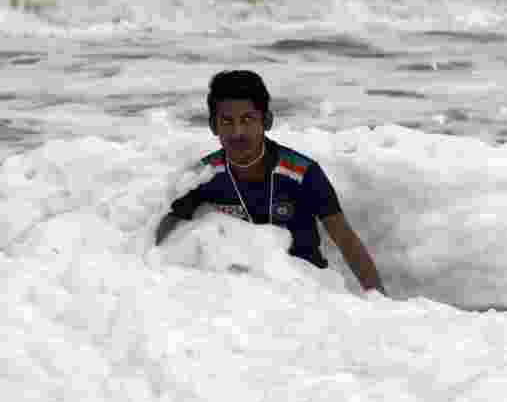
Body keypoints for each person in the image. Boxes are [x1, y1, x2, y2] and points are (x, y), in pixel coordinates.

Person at [155, 70, 385, 295]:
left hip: (307, 292)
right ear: (213, 126)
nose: (237, 132)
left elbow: (345, 240)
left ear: (267, 121)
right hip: (239, 294)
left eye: (248, 120)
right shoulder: (204, 175)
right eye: (227, 121)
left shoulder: (303, 173)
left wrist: (379, 300)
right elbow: (165, 232)